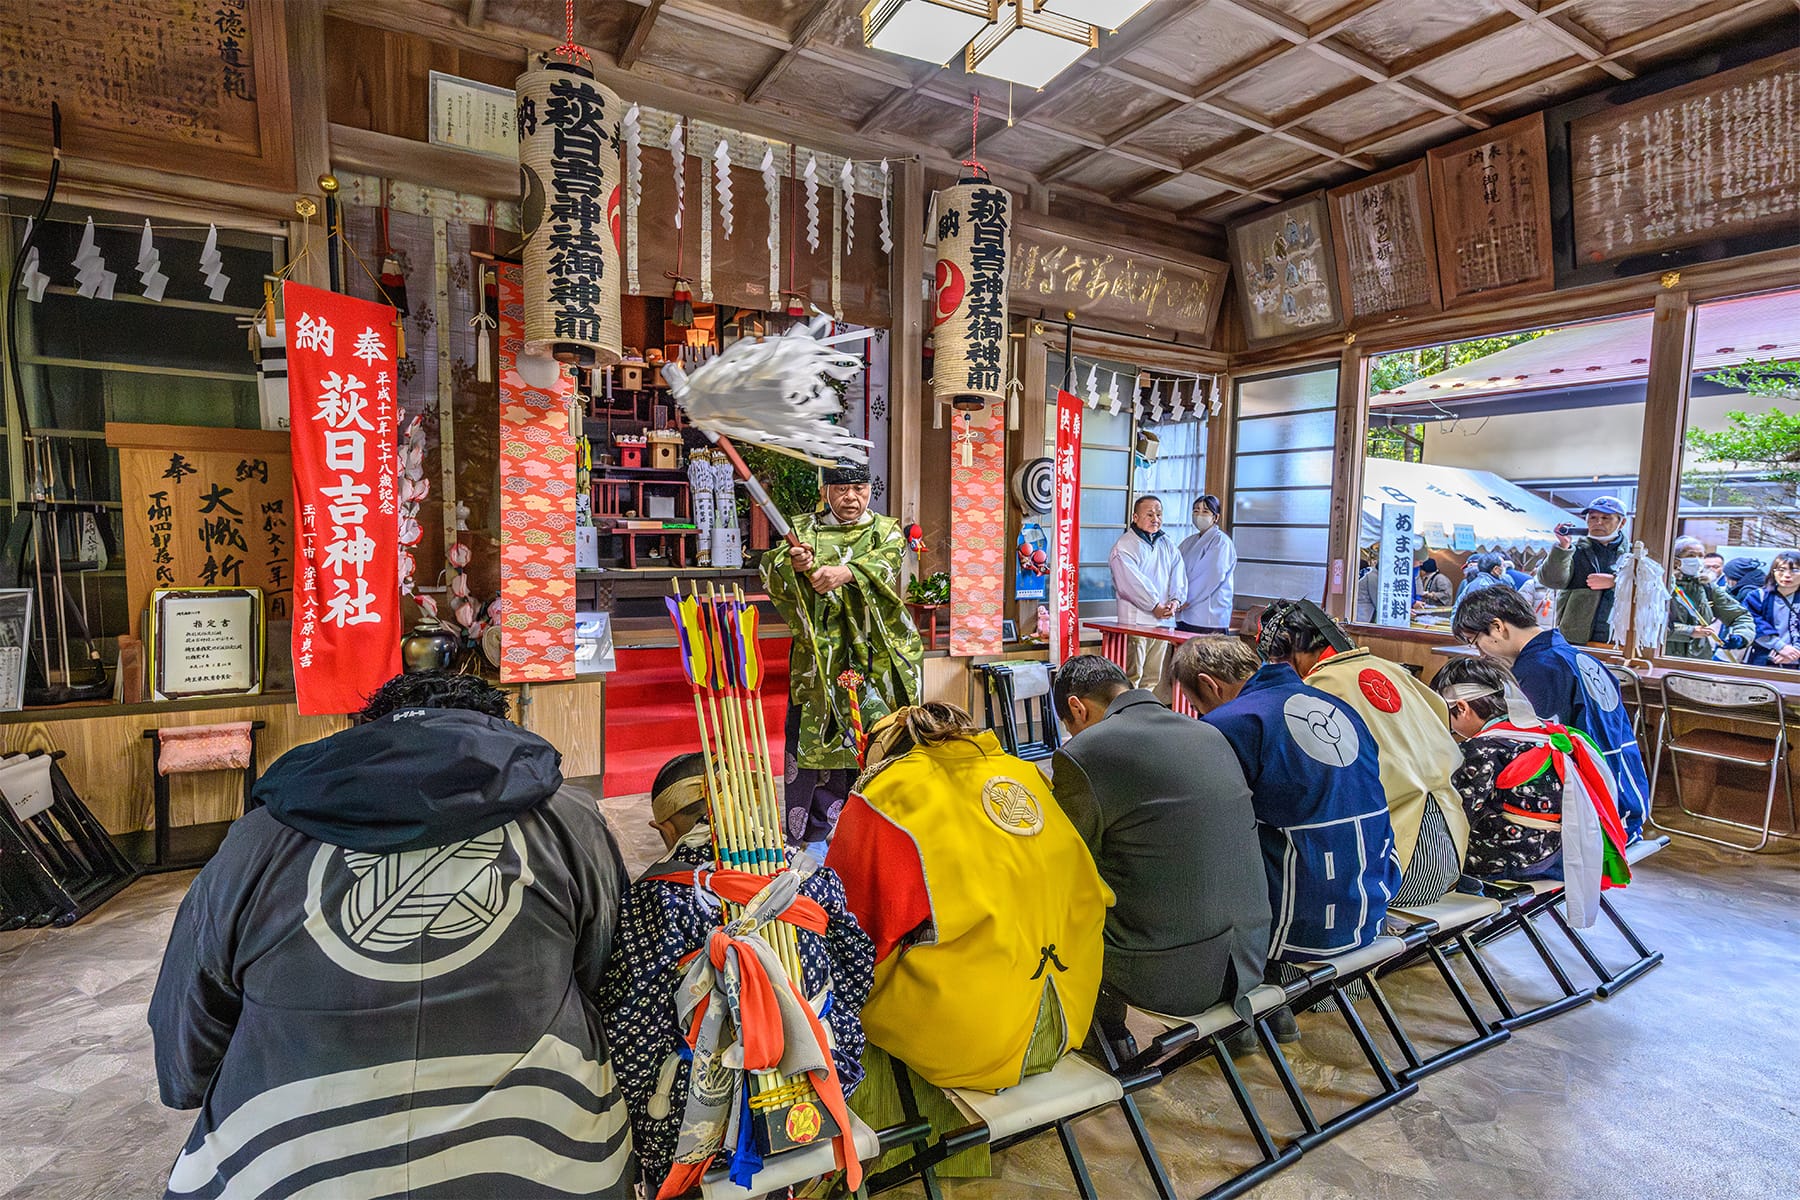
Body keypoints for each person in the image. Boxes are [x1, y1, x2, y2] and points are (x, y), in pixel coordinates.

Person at [148, 672, 638, 1199]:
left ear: (369, 732)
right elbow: (605, 968)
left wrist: (190, 1082)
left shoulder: (260, 838)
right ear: (499, 729)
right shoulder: (570, 819)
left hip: (285, 1161)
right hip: (547, 1154)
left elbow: (193, 998)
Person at [600, 752, 873, 1193]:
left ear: (665, 828)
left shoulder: (655, 901)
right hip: (821, 1090)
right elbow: (857, 975)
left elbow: (629, 1027)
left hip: (698, 1133)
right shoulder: (811, 876)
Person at [828, 703, 1109, 1091]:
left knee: (838, 989)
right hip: (1073, 1011)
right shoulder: (1024, 772)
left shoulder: (888, 794)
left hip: (970, 1043)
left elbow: (851, 931)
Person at [1050, 654, 1272, 1052]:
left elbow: (1066, 857)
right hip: (1249, 955)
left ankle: (1107, 1034)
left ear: (1076, 708)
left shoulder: (1086, 752)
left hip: (1170, 978)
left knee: (1060, 895)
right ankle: (1236, 1029)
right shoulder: (1207, 732)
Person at [1177, 636, 1400, 969]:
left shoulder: (1228, 724)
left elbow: (1199, 823)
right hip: (1372, 906)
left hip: (1298, 929)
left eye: (1197, 706)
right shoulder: (1339, 707)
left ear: (1210, 686)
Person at [1257, 600, 1468, 908]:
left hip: (1395, 868)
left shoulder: (1313, 692)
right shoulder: (1394, 670)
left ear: (1289, 650)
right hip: (1452, 851)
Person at [761, 459, 923, 849]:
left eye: (860, 488)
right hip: (820, 659)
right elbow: (771, 568)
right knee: (816, 740)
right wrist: (794, 563)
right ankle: (812, 835)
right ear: (825, 492)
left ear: (871, 489)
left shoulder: (886, 529)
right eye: (841, 489)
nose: (851, 497)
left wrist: (842, 573)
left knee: (882, 737)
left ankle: (881, 829)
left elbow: (886, 563)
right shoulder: (802, 531)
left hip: (877, 657)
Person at [1452, 586, 1649, 841]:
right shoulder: (1574, 656)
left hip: (1598, 816)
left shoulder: (1539, 670)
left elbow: (1533, 754)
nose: (1480, 652)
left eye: (1475, 641)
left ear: (1498, 627)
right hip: (1626, 801)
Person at [1433, 658, 1565, 881]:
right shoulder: (1542, 734)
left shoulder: (1482, 749)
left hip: (1511, 859)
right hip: (1554, 853)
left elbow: (1457, 812)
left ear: (1462, 707)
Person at [1108, 495, 1186, 694]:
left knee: (1152, 676)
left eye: (1159, 514)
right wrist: (1155, 606)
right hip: (1136, 621)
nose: (1155, 519)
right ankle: (1126, 718)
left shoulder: (1167, 543)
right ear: (1135, 517)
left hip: (1163, 622)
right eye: (1149, 514)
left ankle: (1143, 716)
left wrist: (1175, 601)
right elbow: (1131, 583)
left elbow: (1178, 574)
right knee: (1132, 674)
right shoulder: (1125, 545)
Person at [1537, 496, 1629, 645]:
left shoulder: (1633, 554)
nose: (1598, 522)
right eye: (1592, 517)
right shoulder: (1574, 550)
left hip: (1618, 638)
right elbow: (1550, 581)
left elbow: (1658, 586)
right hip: (1575, 637)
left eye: (1606, 518)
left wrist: (1616, 581)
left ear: (1622, 522)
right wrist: (1563, 547)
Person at [1665, 535, 1755, 660]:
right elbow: (1648, 625)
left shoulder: (1706, 587)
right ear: (1675, 559)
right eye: (1691, 555)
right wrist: (1689, 631)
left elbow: (1740, 615)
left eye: (1701, 556)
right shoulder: (1661, 586)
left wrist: (1741, 636)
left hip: (1698, 659)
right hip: (1663, 656)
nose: (1697, 560)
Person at [1177, 494, 1237, 633]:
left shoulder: (1221, 542)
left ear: (1215, 517)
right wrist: (1176, 598)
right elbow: (1176, 569)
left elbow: (1210, 576)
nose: (1199, 515)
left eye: (1205, 511)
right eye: (1196, 511)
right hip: (1185, 613)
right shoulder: (1189, 542)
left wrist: (1185, 599)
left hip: (1209, 614)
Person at [1743, 550, 1800, 667]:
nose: (1787, 575)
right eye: (1781, 570)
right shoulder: (1757, 596)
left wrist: (1795, 653)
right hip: (1763, 658)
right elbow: (1751, 623)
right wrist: (1780, 646)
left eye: (1794, 570)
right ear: (1773, 572)